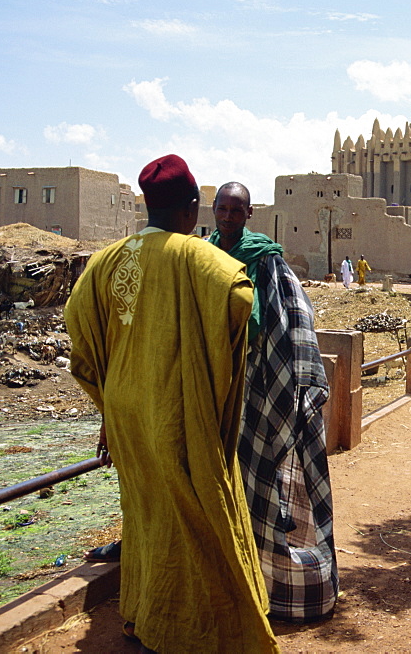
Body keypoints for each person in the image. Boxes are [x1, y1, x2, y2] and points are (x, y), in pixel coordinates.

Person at [65, 155, 279, 651]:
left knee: (145, 513)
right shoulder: (206, 262)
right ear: (192, 209)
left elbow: (81, 342)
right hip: (179, 416)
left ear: (145, 205)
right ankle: (200, 627)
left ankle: (144, 612)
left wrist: (107, 402)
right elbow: (239, 302)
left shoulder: (103, 262)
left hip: (125, 418)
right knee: (200, 519)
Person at [209, 182, 338, 622]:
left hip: (256, 388)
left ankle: (263, 581)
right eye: (222, 208)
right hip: (212, 386)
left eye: (236, 210)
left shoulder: (267, 260)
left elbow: (293, 321)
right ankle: (222, 573)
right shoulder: (202, 255)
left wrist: (294, 381)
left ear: (249, 215)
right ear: (212, 210)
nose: (227, 216)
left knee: (255, 477)